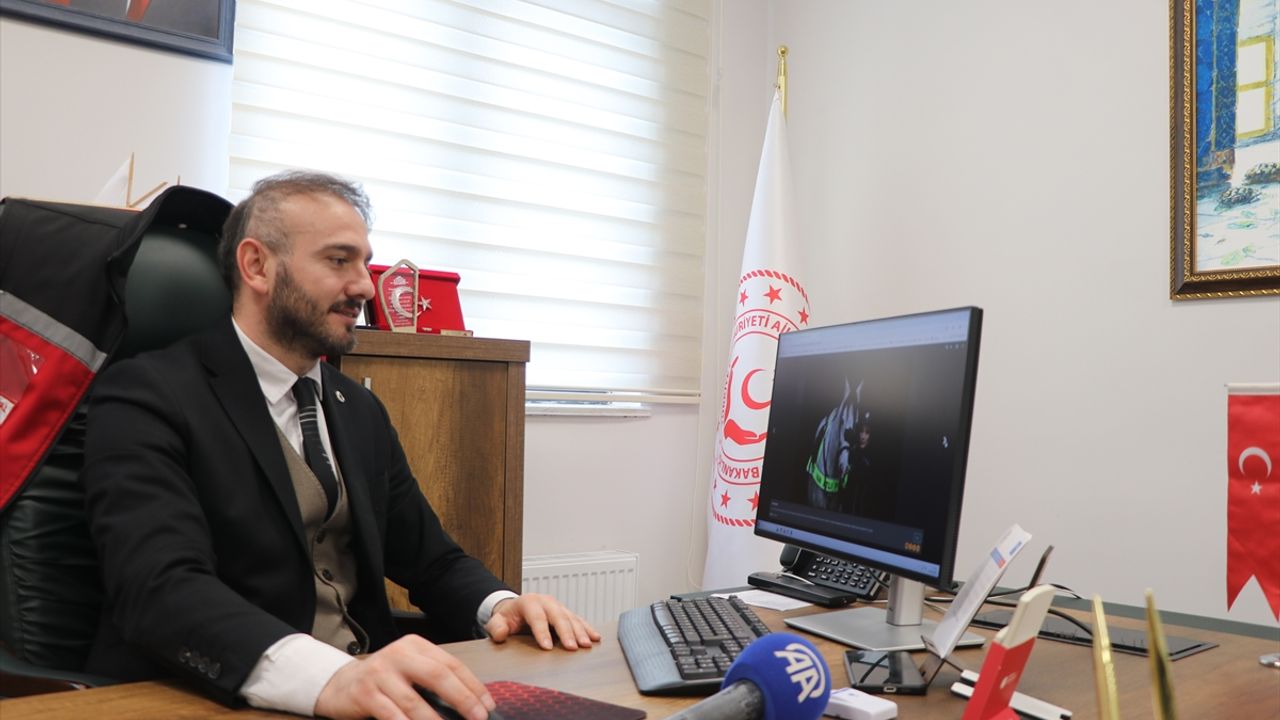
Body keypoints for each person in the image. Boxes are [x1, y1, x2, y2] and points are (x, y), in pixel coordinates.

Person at [80, 170, 599, 720]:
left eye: (364, 262)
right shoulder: (145, 396)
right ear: (257, 266)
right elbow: (161, 589)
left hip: (371, 696)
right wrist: (331, 677)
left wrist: (501, 605)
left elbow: (432, 560)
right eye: (338, 260)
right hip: (220, 698)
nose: (365, 287)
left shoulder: (358, 408)